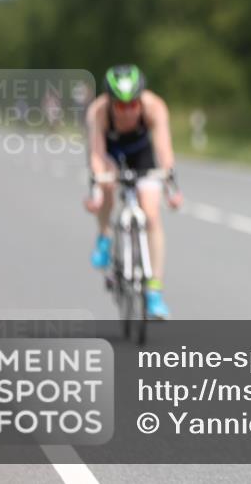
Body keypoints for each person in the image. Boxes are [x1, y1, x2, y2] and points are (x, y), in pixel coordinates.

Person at [83, 65, 183, 318]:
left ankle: (154, 291)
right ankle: (105, 237)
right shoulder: (98, 111)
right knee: (106, 184)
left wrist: (172, 186)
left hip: (142, 154)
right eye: (120, 106)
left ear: (141, 99)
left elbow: (164, 151)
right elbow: (95, 154)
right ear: (110, 102)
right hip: (110, 153)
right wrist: (95, 190)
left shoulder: (155, 107)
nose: (127, 112)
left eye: (132, 105)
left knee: (151, 215)